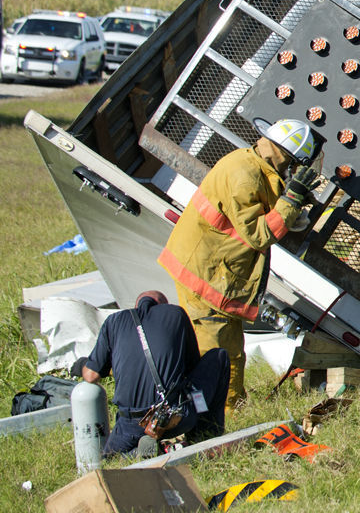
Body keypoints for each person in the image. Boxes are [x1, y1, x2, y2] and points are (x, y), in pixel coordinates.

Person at [158, 118, 319, 407]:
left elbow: (261, 208)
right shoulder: (245, 176)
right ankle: (212, 417)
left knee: (232, 352)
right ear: (283, 154)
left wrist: (290, 204)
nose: (290, 169)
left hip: (214, 271)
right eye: (292, 163)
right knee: (214, 355)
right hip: (206, 277)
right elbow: (259, 234)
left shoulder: (251, 164)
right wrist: (291, 200)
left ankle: (233, 408)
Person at [81, 291, 228, 457]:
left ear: (137, 306)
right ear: (161, 305)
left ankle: (135, 454)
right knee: (218, 357)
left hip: (129, 424)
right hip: (173, 418)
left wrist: (84, 364)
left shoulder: (113, 322)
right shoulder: (175, 314)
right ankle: (204, 434)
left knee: (109, 460)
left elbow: (91, 375)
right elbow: (192, 368)